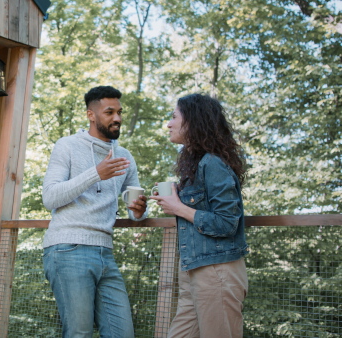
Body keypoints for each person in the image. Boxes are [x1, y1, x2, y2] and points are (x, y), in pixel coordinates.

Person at [42, 85, 148, 338]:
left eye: (119, 112)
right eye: (109, 112)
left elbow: (135, 210)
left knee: (122, 333)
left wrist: (139, 210)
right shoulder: (66, 146)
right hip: (67, 248)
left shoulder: (124, 156)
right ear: (91, 115)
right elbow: (50, 197)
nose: (118, 118)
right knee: (79, 333)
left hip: (105, 252)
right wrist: (95, 174)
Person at [150, 93, 250, 338]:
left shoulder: (212, 163)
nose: (168, 123)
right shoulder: (196, 166)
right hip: (193, 270)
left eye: (174, 117)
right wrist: (174, 202)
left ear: (193, 122)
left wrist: (178, 208)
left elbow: (227, 223)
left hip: (216, 272)